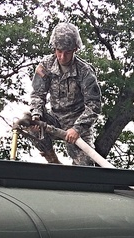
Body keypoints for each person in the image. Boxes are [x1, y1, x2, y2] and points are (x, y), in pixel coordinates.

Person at [26, 22, 102, 166]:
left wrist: (77, 128)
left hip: (78, 122)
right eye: (58, 51)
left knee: (86, 167)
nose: (62, 56)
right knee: (28, 120)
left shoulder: (85, 71)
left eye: (67, 52)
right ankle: (52, 161)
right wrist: (37, 114)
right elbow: (37, 94)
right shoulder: (46, 65)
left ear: (75, 49)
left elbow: (94, 106)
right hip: (54, 119)